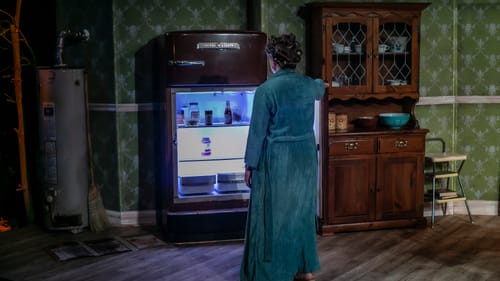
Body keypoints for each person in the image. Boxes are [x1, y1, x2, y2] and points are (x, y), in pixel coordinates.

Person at [240, 33, 326, 281]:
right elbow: (321, 87)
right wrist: (322, 82)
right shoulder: (309, 85)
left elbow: (257, 133)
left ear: (274, 60)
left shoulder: (267, 90)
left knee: (271, 216)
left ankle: (271, 273)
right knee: (301, 212)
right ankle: (304, 269)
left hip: (278, 160)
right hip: (306, 158)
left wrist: (250, 165)